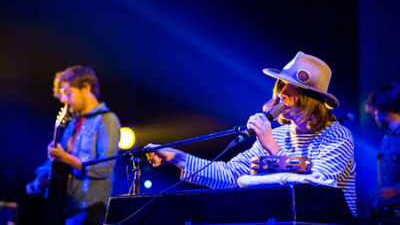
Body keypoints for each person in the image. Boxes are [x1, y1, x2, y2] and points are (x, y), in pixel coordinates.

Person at [146, 51, 357, 216]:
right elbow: (230, 175)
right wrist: (179, 158)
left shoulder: (337, 136)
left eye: (291, 87)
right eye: (281, 85)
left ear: (310, 97)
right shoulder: (280, 134)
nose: (281, 93)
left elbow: (318, 183)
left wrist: (271, 149)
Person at [26, 65, 121, 225]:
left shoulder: (107, 119)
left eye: (68, 93)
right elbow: (58, 159)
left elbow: (106, 167)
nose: (64, 100)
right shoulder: (73, 123)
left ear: (86, 87)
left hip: (90, 206)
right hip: (67, 206)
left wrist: (66, 158)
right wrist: (40, 178)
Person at [365, 83, 400, 214]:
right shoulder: (386, 138)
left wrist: (394, 190)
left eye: (375, 110)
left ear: (384, 106)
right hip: (388, 213)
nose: (374, 115)